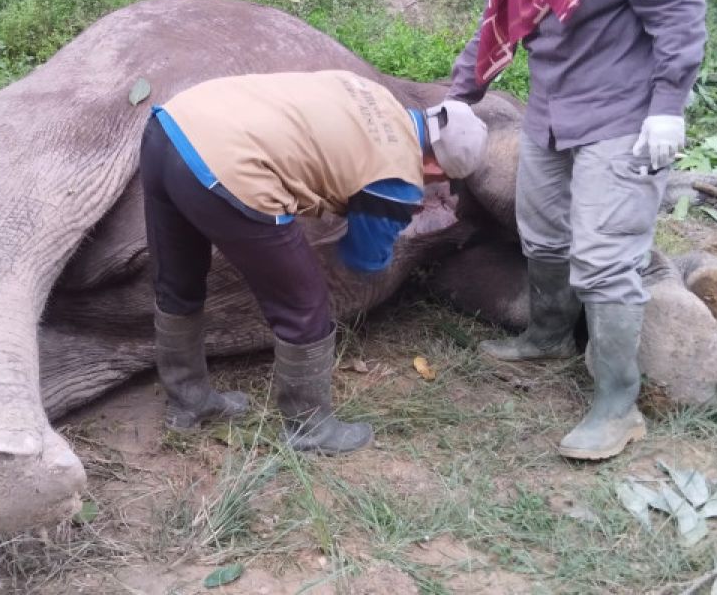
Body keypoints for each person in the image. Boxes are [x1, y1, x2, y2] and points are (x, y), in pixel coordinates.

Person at [447, 0, 707, 460]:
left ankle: (618, 403)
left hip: (622, 116)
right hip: (554, 113)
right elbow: (495, 27)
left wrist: (669, 105)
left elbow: (679, 10)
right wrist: (455, 101)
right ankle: (546, 336)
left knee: (604, 253)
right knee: (543, 233)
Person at [141, 70, 488, 455]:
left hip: (170, 128)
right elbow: (363, 260)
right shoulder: (398, 176)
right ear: (438, 170)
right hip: (229, 168)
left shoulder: (372, 93)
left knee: (178, 280)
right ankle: (310, 429)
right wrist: (388, 224)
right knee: (305, 304)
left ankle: (187, 402)